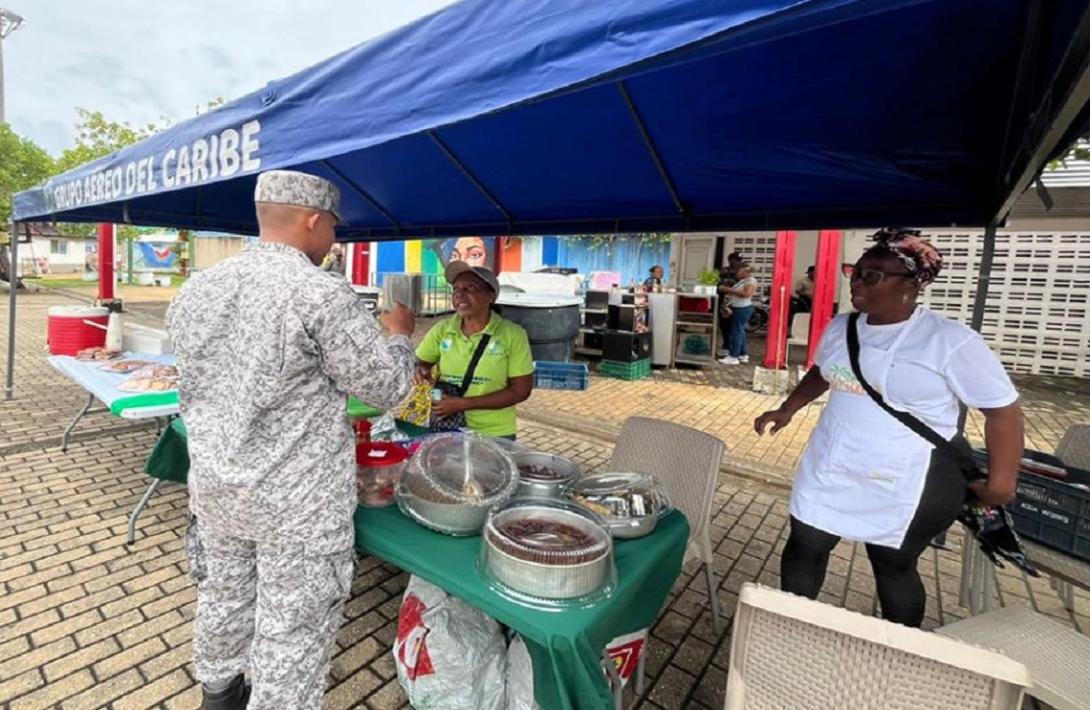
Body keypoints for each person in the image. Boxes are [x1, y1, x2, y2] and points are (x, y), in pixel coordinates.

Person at [167, 170, 416, 709]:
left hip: (218, 489)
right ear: (313, 220)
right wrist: (399, 336)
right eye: (333, 226)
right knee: (292, 628)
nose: (334, 237)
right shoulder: (317, 293)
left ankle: (218, 695)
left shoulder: (197, 288)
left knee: (224, 596)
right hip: (295, 506)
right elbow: (388, 387)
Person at [753, 228, 1023, 628]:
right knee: (805, 544)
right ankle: (789, 630)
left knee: (892, 563)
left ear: (912, 284)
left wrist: (1001, 483)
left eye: (872, 275)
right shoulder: (842, 326)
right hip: (833, 462)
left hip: (909, 475)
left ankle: (900, 649)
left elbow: (1003, 412)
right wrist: (787, 409)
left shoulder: (949, 340)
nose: (857, 282)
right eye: (855, 271)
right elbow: (823, 372)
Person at [416, 261, 534, 439]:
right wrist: (420, 369)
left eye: (470, 288)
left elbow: (520, 391)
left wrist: (462, 404)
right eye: (456, 289)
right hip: (447, 428)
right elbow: (420, 362)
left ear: (491, 296)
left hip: (495, 433)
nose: (459, 294)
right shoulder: (442, 330)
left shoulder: (513, 334)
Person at [717, 263, 758, 364]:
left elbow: (746, 294)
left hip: (743, 308)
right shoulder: (743, 281)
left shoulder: (751, 281)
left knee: (737, 332)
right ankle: (742, 354)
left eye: (739, 271)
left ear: (745, 272)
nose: (737, 273)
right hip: (738, 307)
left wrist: (727, 289)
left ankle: (733, 356)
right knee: (741, 331)